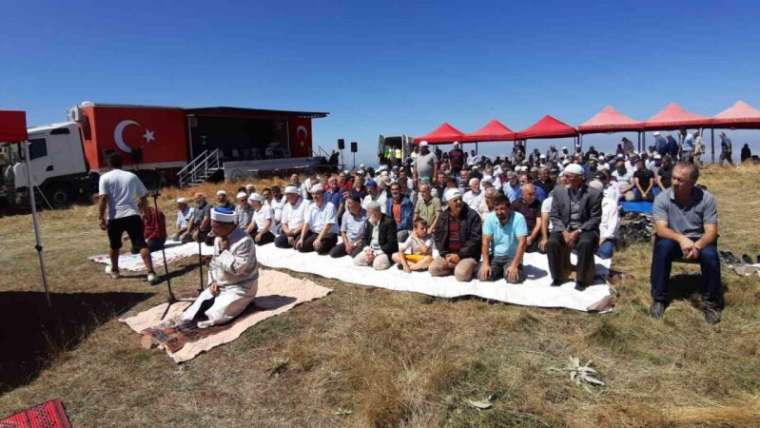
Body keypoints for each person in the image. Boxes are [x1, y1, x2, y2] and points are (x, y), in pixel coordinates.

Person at [650, 162, 722, 324]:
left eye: (680, 180)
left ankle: (711, 302)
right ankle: (659, 298)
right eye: (673, 178)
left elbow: (711, 231)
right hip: (674, 238)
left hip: (699, 240)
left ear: (692, 182)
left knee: (710, 255)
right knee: (662, 247)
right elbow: (661, 229)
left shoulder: (706, 199)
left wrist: (697, 245)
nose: (674, 182)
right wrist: (682, 239)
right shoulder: (663, 198)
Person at [180, 207, 259, 328]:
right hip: (220, 285)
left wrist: (223, 251)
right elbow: (214, 263)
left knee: (216, 315)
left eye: (214, 226)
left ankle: (246, 302)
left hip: (242, 286)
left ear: (227, 226)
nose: (211, 230)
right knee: (192, 312)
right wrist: (212, 282)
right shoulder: (218, 237)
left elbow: (237, 269)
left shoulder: (245, 241)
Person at [97, 153, 158, 283]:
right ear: (122, 163)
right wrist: (144, 211)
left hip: (115, 216)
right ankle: (151, 272)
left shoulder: (104, 178)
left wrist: (101, 217)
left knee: (114, 246)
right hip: (132, 215)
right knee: (141, 244)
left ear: (109, 164)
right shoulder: (132, 176)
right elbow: (143, 196)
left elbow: (103, 199)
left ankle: (115, 270)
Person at [546, 163, 602, 290]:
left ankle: (581, 279)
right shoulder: (558, 191)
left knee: (585, 243)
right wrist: (564, 232)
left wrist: (578, 231)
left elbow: (595, 218)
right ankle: (557, 277)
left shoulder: (594, 194)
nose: (565, 179)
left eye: (569, 176)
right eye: (564, 176)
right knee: (552, 243)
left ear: (579, 177)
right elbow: (554, 215)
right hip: (564, 228)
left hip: (584, 228)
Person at [429, 188, 482, 282]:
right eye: (455, 200)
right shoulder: (443, 216)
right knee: (433, 269)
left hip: (467, 255)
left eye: (460, 199)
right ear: (448, 203)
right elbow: (438, 237)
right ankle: (454, 267)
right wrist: (445, 254)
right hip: (448, 253)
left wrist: (459, 255)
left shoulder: (472, 215)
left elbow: (475, 239)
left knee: (461, 275)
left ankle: (464, 267)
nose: (459, 202)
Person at [478, 194, 528, 283]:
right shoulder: (490, 218)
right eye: (496, 209)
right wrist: (485, 264)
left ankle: (506, 271)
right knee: (483, 276)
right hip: (496, 257)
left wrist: (514, 265)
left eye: (502, 209)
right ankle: (500, 271)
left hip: (512, 257)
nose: (499, 212)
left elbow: (522, 242)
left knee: (513, 278)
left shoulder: (519, 218)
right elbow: (485, 242)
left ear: (509, 208)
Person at [354, 200, 398, 270]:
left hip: (383, 251)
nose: (367, 215)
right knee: (357, 261)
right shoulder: (369, 221)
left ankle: (379, 261)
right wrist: (368, 250)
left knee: (377, 266)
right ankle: (371, 260)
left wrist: (375, 254)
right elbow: (365, 238)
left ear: (375, 213)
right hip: (371, 250)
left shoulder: (389, 222)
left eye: (368, 212)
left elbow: (391, 244)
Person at [296, 184, 338, 254]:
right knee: (300, 246)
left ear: (323, 194)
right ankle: (315, 243)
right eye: (313, 194)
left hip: (329, 233)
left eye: (317, 194)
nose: (315, 196)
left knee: (319, 248)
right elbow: (307, 223)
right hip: (315, 233)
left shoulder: (330, 206)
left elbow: (328, 225)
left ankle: (328, 243)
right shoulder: (311, 207)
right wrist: (301, 238)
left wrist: (318, 239)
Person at [589, 174, 619, 259]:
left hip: (604, 236)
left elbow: (612, 225)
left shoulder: (611, 204)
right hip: (588, 234)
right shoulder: (585, 203)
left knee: (605, 253)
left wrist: (602, 239)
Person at [330, 192, 367, 258]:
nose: (348, 205)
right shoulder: (346, 214)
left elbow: (366, 234)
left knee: (354, 254)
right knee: (333, 253)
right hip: (349, 241)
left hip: (360, 241)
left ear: (357, 204)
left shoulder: (366, 215)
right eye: (347, 203)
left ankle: (352, 250)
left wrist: (354, 244)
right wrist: (347, 245)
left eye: (350, 203)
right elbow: (343, 232)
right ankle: (349, 249)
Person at [511, 183, 542, 252]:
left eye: (534, 194)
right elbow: (511, 223)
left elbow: (539, 223)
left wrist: (531, 237)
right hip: (519, 234)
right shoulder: (515, 204)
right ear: (523, 194)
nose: (533, 196)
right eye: (530, 194)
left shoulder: (538, 204)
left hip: (532, 233)